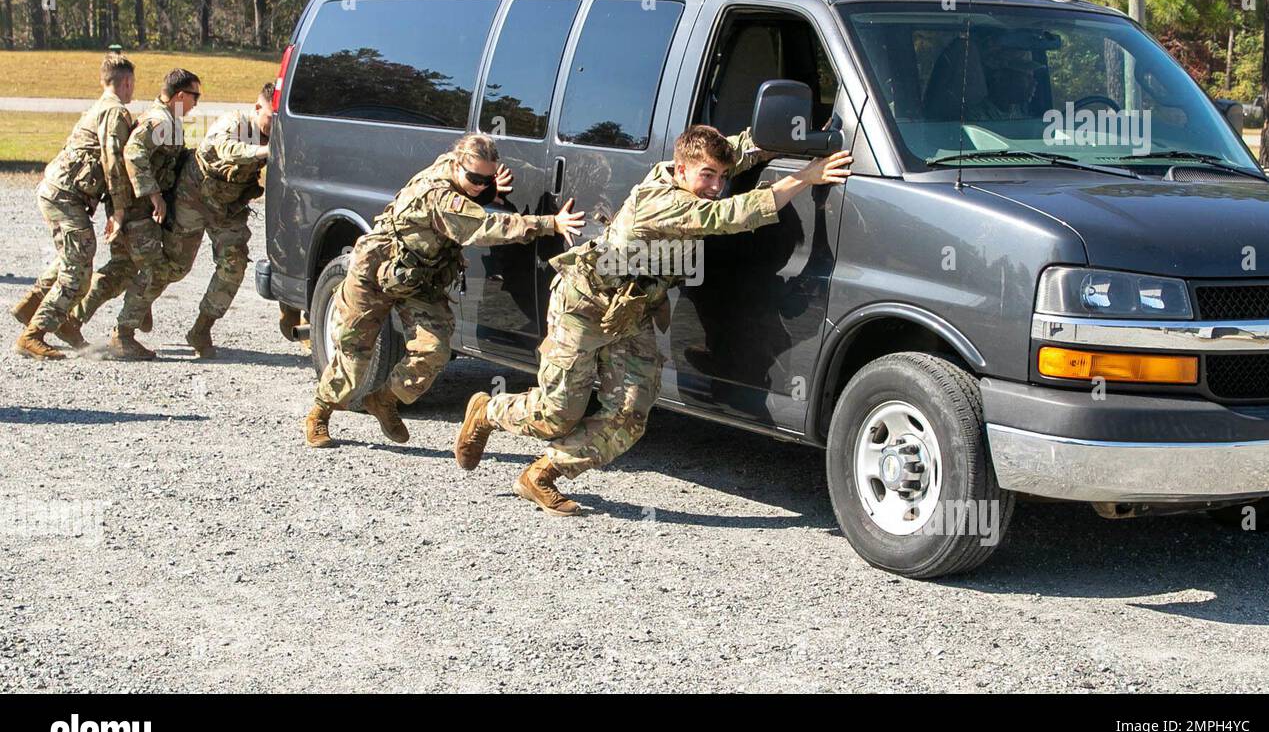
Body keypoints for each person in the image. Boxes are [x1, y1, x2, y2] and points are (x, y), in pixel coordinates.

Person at [454, 124, 852, 516]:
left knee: (629, 414)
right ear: (681, 171)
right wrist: (806, 176)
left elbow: (740, 147)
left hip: (631, 312)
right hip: (584, 305)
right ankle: (487, 412)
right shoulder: (664, 202)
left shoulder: (688, 168)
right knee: (558, 412)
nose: (716, 184)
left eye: (720, 176)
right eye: (706, 176)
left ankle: (542, 474)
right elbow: (732, 214)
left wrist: (801, 135)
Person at [304, 133, 586, 449]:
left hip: (419, 277)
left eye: (488, 178)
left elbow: (469, 199)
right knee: (355, 355)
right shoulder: (438, 197)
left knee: (434, 349)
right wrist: (551, 223)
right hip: (375, 273)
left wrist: (486, 190)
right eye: (475, 178)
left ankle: (384, 399)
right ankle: (320, 413)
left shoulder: (454, 174)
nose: (481, 185)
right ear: (456, 163)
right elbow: (486, 228)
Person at [63, 69, 203, 359]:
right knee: (156, 270)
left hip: (129, 209)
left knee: (121, 270)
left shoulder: (168, 119)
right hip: (138, 212)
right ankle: (123, 334)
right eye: (195, 96)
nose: (196, 104)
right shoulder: (160, 120)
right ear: (179, 95)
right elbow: (133, 153)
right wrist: (153, 195)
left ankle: (72, 319)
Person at [128, 82, 274, 358]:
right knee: (173, 267)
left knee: (234, 263)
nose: (274, 124)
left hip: (225, 208)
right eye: (271, 116)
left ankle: (201, 329)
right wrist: (265, 152)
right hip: (192, 198)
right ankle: (125, 329)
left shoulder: (274, 136)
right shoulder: (234, 123)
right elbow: (226, 148)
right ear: (257, 108)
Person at [11, 53, 135, 360]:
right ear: (127, 82)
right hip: (65, 195)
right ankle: (33, 334)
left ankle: (36, 309)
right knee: (80, 261)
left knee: (72, 255)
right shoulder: (115, 111)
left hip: (57, 191)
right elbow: (114, 163)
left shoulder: (98, 107)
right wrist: (119, 210)